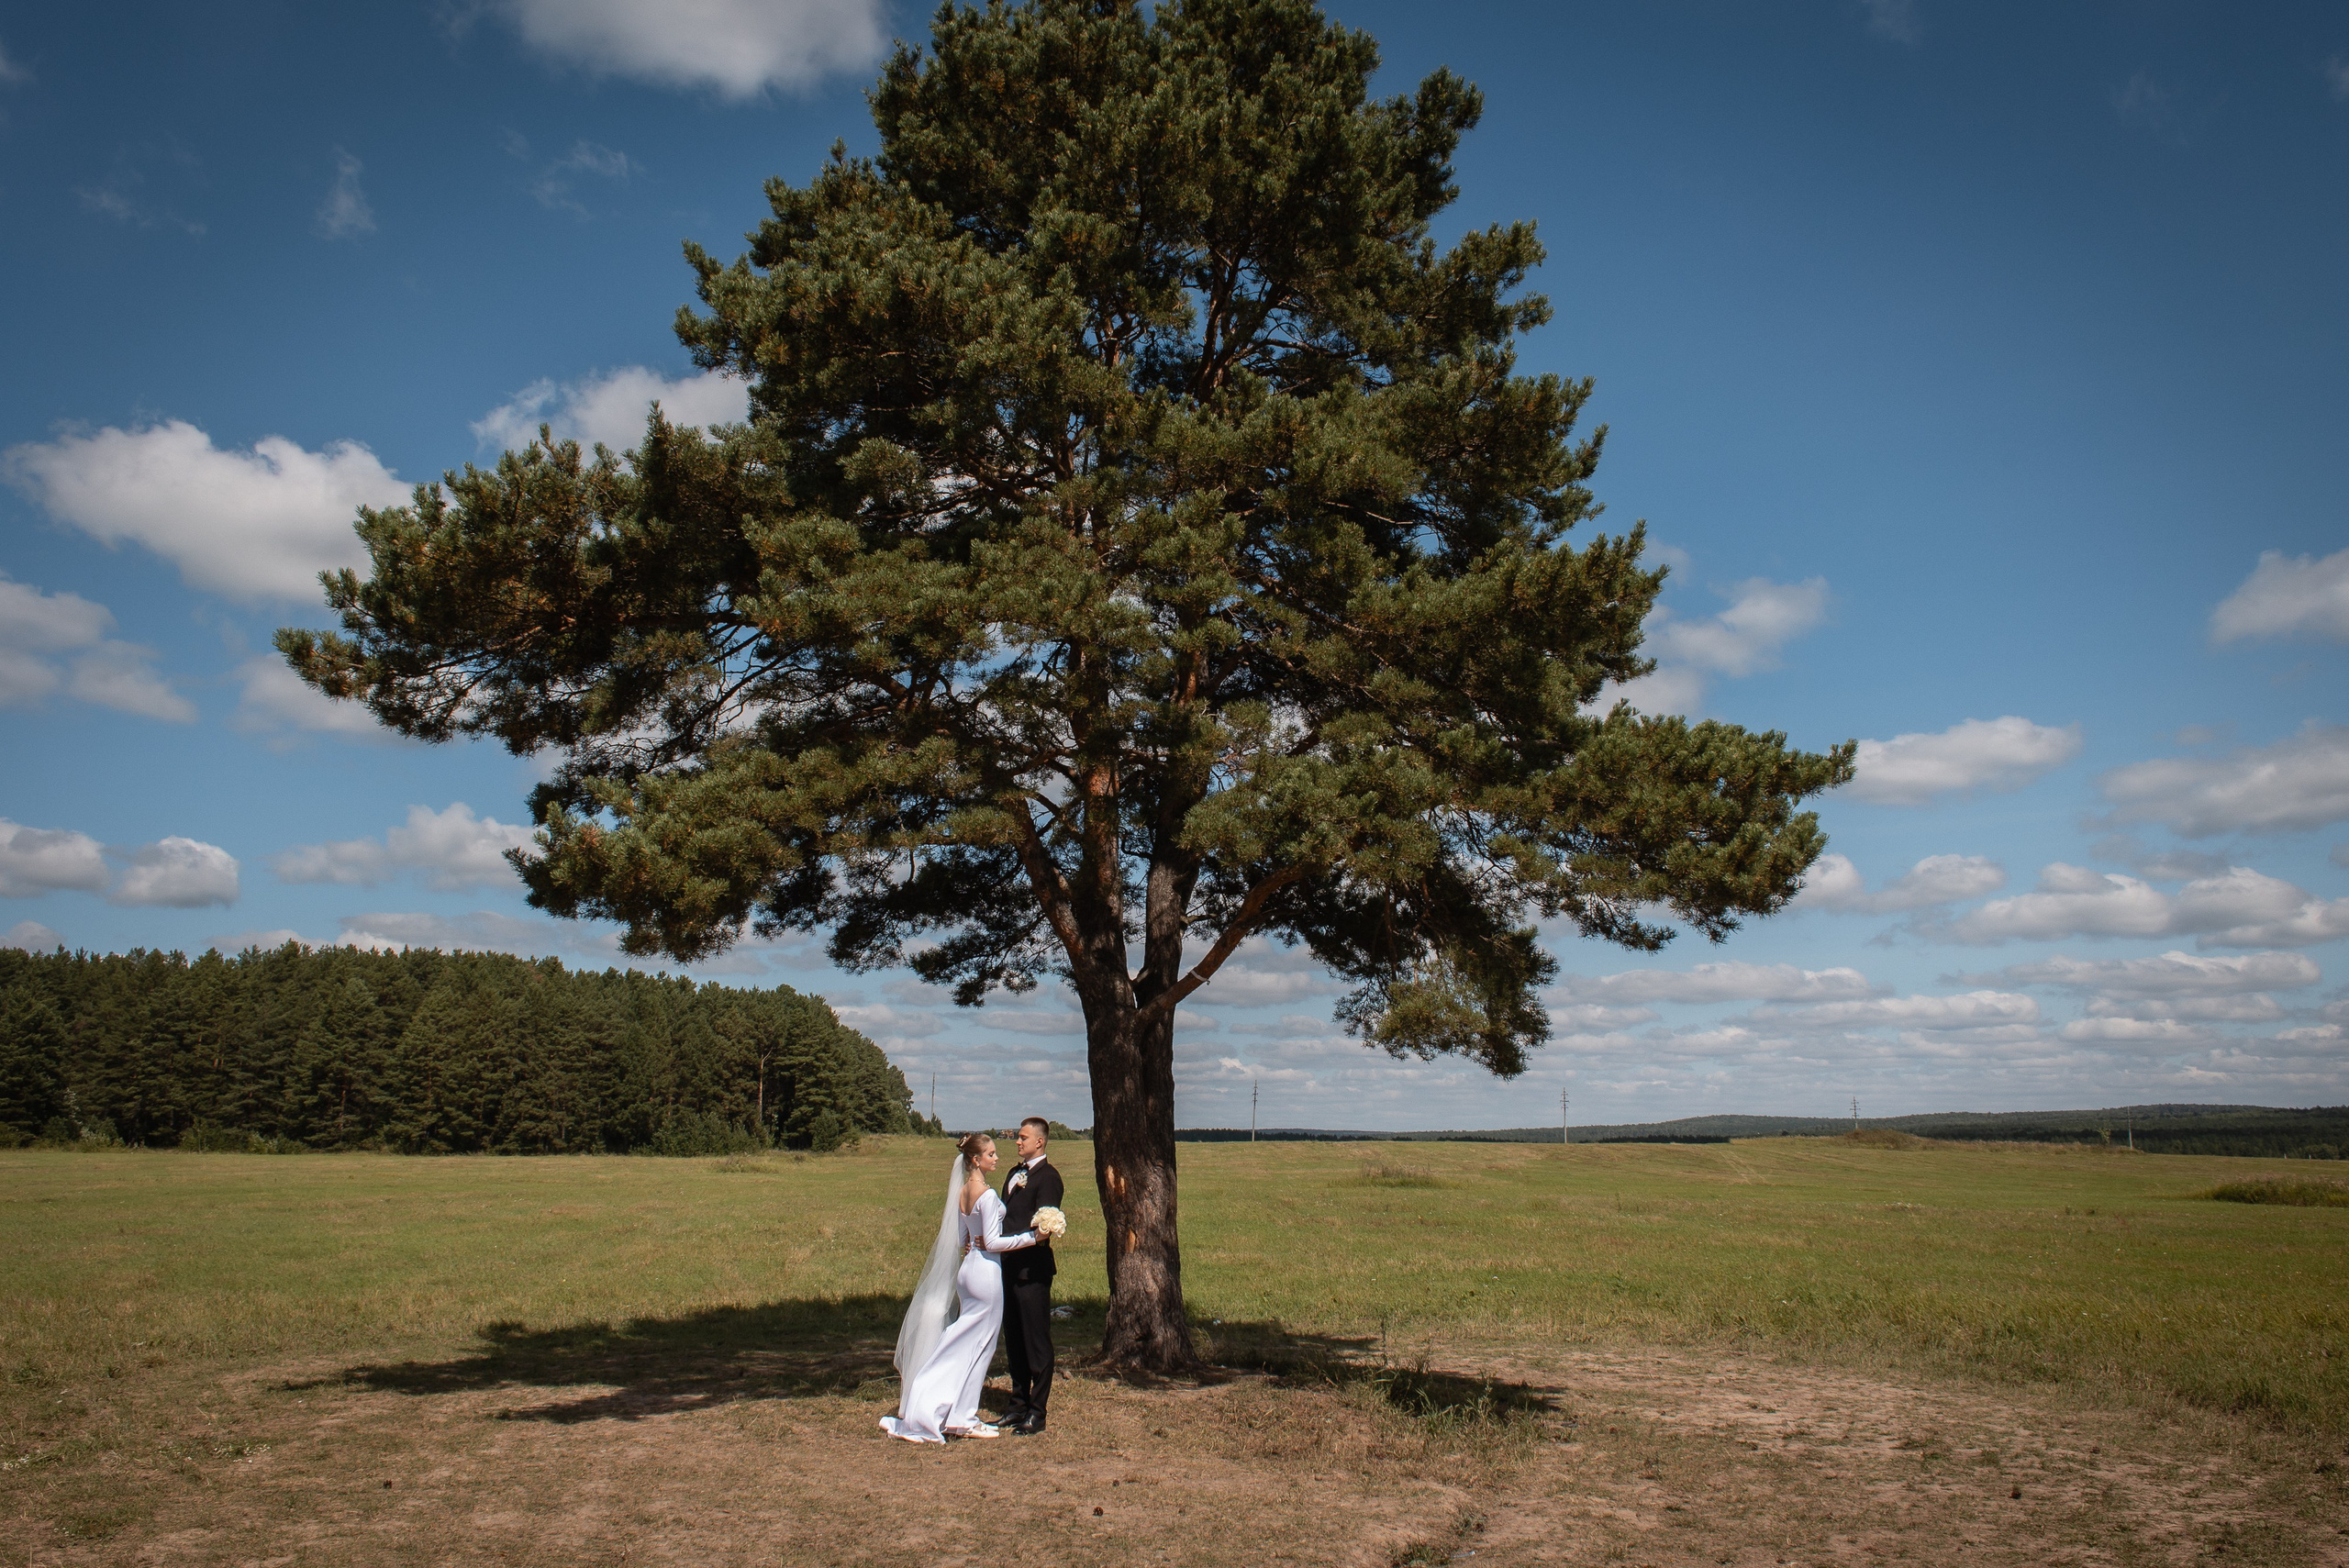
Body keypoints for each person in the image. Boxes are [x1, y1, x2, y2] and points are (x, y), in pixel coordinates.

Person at [878, 1131, 1041, 1443]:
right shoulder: (988, 1196)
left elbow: (964, 1236)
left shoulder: (964, 1191)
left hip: (968, 1271)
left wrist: (973, 1245)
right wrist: (1034, 1237)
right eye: (991, 1154)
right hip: (986, 1273)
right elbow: (992, 1242)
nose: (997, 1158)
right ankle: (961, 1416)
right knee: (981, 1345)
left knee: (963, 1340)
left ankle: (950, 1410)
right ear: (976, 1160)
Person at [996, 1117, 1063, 1435]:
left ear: (1040, 1141)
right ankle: (1017, 1405)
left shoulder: (1048, 1178)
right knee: (1015, 1340)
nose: (1018, 1142)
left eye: (1023, 1138)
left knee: (1036, 1341)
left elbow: (1044, 1226)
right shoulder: (1013, 1173)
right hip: (1007, 1267)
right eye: (1018, 1138)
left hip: (1032, 1269)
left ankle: (1038, 1412)